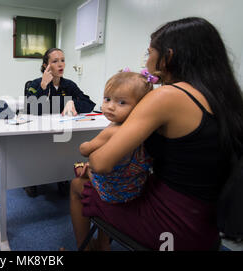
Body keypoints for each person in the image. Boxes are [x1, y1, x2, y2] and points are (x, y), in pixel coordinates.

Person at [69, 17, 243, 251]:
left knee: (78, 185)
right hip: (209, 220)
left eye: (149, 52)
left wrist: (112, 132)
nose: (146, 59)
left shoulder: (167, 96)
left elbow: (100, 163)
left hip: (173, 223)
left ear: (168, 56)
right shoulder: (225, 96)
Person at [25, 48, 96, 197]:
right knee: (38, 151)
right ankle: (30, 179)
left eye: (62, 60)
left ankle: (61, 177)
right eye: (55, 61)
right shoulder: (35, 84)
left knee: (66, 148)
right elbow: (31, 109)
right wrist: (43, 87)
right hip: (40, 131)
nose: (60, 64)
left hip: (62, 131)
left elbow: (89, 103)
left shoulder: (69, 85)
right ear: (46, 65)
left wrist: (72, 104)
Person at [77, 70, 154, 204]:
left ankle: (84, 170)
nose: (110, 106)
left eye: (122, 103)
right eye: (107, 99)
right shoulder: (145, 128)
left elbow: (85, 150)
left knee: (80, 166)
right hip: (136, 187)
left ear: (140, 106)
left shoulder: (113, 131)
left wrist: (84, 145)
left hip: (114, 192)